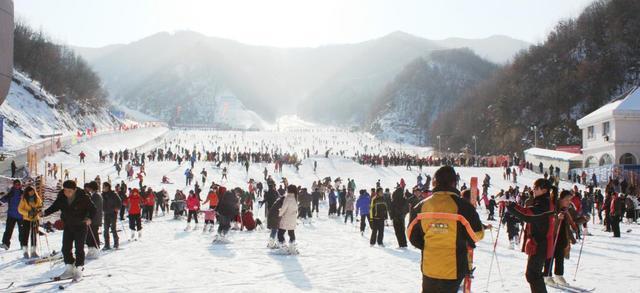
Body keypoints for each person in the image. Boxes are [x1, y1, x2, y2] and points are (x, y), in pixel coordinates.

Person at [408, 166, 485, 293]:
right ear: (454, 182)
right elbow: (477, 235)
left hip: (430, 267)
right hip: (453, 269)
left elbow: (411, 234)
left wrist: (427, 245)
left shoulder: (421, 206)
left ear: (435, 182)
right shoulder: (464, 206)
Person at [506, 178, 555, 293]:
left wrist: (511, 209)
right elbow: (527, 211)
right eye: (533, 188)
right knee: (533, 274)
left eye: (536, 188)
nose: (533, 190)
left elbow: (528, 216)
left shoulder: (544, 203)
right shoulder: (541, 201)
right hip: (538, 242)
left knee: (533, 274)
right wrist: (513, 205)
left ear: (544, 190)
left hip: (540, 243)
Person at [43, 180, 96, 281]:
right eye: (65, 190)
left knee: (79, 248)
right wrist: (44, 213)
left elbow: (93, 209)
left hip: (80, 225)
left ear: (75, 190)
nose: (67, 193)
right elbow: (55, 206)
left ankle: (79, 269)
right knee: (66, 248)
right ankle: (69, 268)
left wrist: (89, 218)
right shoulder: (61, 196)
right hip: (68, 225)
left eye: (69, 191)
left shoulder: (83, 196)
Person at [543, 190, 588, 286]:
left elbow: (575, 220)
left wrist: (584, 218)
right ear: (561, 199)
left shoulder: (569, 208)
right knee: (550, 255)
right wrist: (557, 217)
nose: (569, 201)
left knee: (560, 256)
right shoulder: (554, 206)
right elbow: (549, 218)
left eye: (570, 199)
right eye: (567, 199)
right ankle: (547, 275)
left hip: (563, 234)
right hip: (552, 234)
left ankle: (558, 275)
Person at [17, 186, 43, 258]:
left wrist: (39, 210)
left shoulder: (37, 198)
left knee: (34, 235)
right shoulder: (24, 199)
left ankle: (33, 251)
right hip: (26, 219)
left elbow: (40, 205)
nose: (32, 192)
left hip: (35, 219)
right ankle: (25, 251)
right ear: (27, 192)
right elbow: (20, 209)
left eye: (33, 191)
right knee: (25, 235)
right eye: (30, 191)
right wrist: (28, 213)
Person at [1, 180, 24, 250]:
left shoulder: (23, 193)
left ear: (20, 185)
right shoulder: (11, 193)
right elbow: (3, 200)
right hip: (11, 215)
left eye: (18, 184)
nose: (17, 186)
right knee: (8, 230)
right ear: (13, 185)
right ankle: (5, 244)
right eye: (16, 184)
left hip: (21, 216)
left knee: (22, 231)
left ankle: (23, 245)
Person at [277, 185, 299, 254]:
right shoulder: (295, 198)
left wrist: (279, 213)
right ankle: (292, 247)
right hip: (293, 218)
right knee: (291, 233)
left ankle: (283, 247)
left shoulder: (287, 198)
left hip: (286, 218)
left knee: (280, 233)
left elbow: (284, 208)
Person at [84, 181, 103, 259]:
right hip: (94, 218)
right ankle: (92, 249)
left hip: (94, 219)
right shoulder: (95, 195)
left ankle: (95, 250)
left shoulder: (96, 196)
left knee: (93, 234)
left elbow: (92, 208)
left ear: (92, 188)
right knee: (90, 234)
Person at [101, 182, 121, 250]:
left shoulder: (113, 194)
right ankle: (107, 245)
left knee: (113, 229)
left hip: (113, 213)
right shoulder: (102, 195)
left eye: (104, 186)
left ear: (107, 187)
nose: (103, 188)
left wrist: (117, 208)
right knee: (106, 230)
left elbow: (119, 202)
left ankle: (116, 243)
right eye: (102, 186)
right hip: (106, 213)